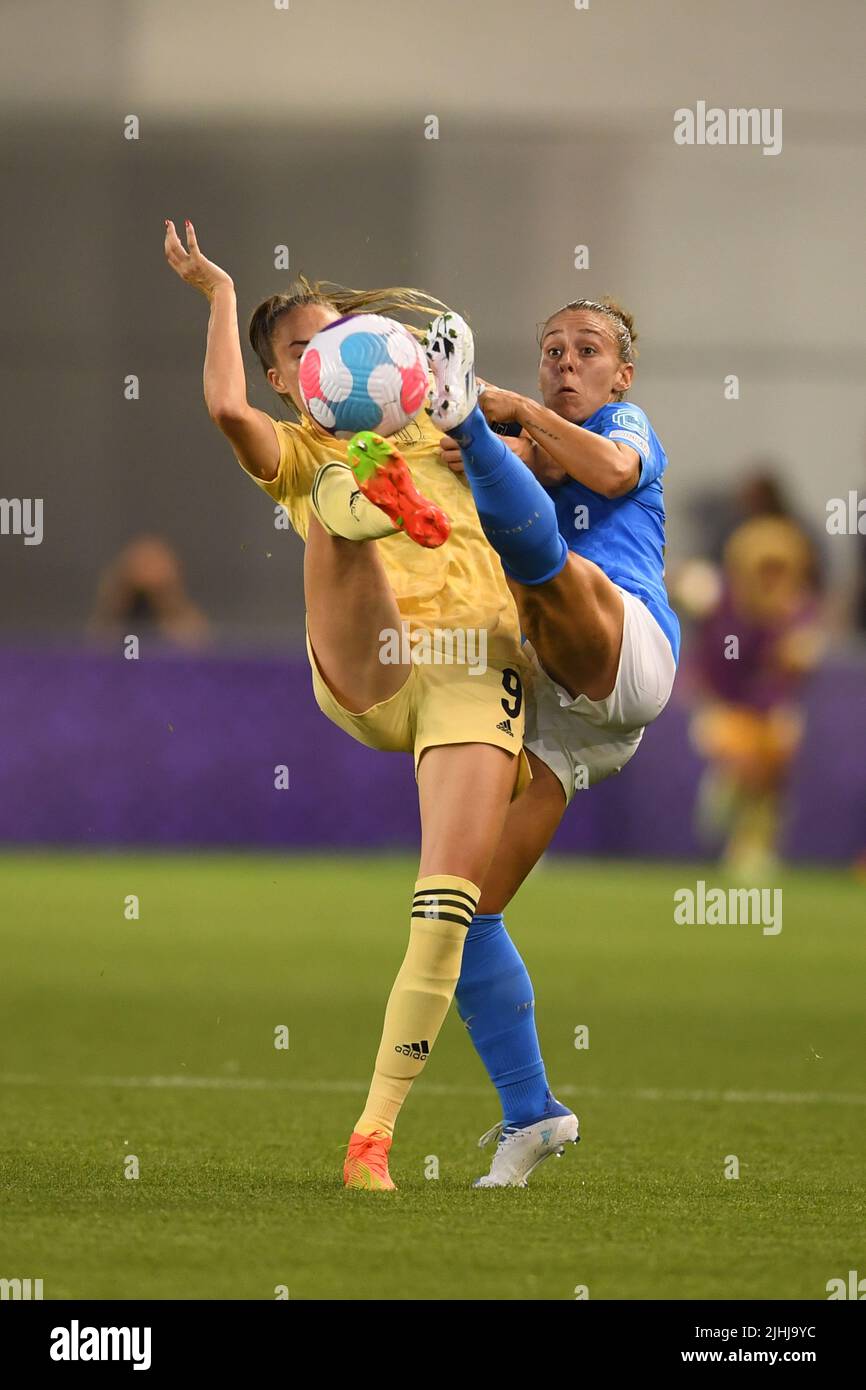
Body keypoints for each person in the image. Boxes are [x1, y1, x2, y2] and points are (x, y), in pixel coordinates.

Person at [163, 218, 578, 1191]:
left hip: (476, 669)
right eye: (303, 351)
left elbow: (569, 462)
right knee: (330, 504)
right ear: (285, 378)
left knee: (446, 904)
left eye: (339, 339)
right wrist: (219, 294)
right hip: (373, 660)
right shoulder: (297, 442)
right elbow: (225, 409)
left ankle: (371, 1140)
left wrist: (513, 414)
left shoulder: (458, 427)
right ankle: (361, 505)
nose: (326, 357)